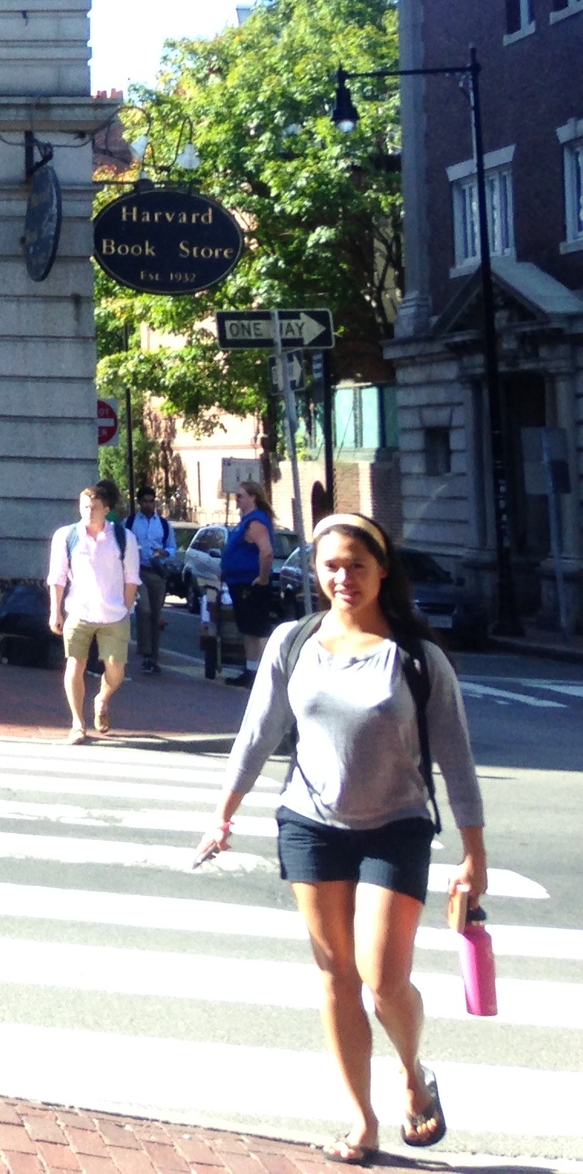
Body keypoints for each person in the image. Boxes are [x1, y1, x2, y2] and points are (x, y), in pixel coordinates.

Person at [197, 514, 483, 1164]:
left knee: (385, 977)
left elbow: (457, 760)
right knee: (336, 975)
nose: (342, 577)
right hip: (311, 823)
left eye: (356, 564)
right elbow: (257, 732)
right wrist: (224, 812)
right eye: (331, 565)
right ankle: (362, 1120)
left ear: (383, 570)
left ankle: (414, 1071)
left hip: (398, 824)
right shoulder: (292, 643)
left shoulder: (417, 656)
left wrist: (474, 852)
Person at [47, 482, 140, 742]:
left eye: (94, 507)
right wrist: (55, 611)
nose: (88, 512)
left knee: (116, 670)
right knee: (74, 664)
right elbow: (57, 577)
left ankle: (102, 698)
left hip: (113, 613)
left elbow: (132, 578)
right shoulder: (66, 536)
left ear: (106, 509)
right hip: (78, 610)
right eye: (84, 506)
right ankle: (78, 723)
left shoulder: (123, 538)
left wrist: (126, 608)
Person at [223, 479, 282, 685]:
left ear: (252, 497)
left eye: (240, 496)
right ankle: (251, 672)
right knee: (248, 629)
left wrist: (263, 578)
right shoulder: (246, 521)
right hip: (239, 582)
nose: (236, 500)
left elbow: (266, 552)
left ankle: (267, 676)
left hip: (251, 583)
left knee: (258, 629)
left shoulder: (255, 522)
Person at [126, 488, 176, 674]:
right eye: (145, 501)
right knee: (144, 609)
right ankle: (145, 652)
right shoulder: (130, 523)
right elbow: (124, 545)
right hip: (138, 572)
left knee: (156, 614)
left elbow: (172, 548)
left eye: (151, 501)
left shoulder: (163, 524)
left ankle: (153, 657)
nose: (148, 504)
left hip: (157, 572)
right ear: (139, 502)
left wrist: (165, 553)